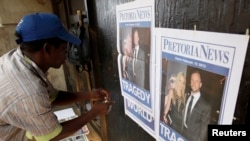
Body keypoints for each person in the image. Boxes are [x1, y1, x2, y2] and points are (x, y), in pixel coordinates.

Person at [0, 12, 113, 141]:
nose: (67, 54)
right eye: (64, 49)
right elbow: (53, 135)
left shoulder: (21, 59)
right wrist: (95, 112)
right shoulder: (29, 90)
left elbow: (53, 97)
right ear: (47, 49)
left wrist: (90, 94)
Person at [182, 70, 211, 141]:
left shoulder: (206, 106)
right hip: (182, 134)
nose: (194, 83)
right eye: (192, 80)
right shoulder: (186, 97)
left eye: (197, 81)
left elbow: (204, 131)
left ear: (200, 84)